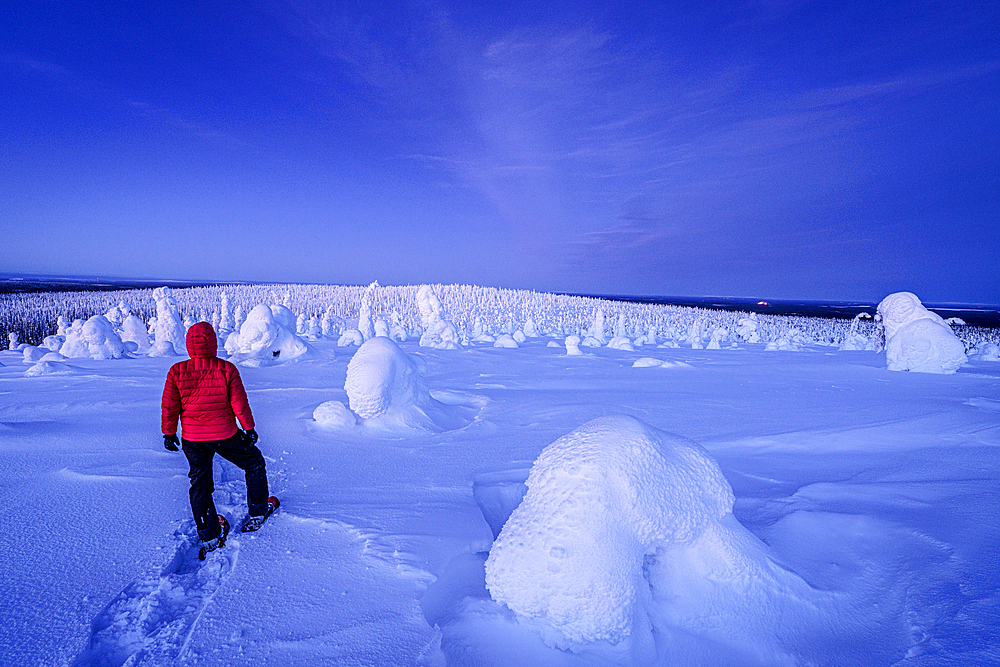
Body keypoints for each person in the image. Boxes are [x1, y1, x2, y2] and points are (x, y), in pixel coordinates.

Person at [161, 321, 272, 551]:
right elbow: (239, 403)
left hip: (193, 439)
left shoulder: (177, 371)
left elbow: (170, 407)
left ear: (189, 345)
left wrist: (169, 433)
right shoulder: (226, 369)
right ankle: (259, 511)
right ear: (213, 342)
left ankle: (209, 534)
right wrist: (249, 429)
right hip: (225, 434)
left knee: (199, 484)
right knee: (254, 462)